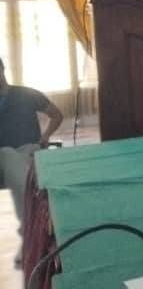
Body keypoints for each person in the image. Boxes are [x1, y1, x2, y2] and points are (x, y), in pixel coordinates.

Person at [0, 56, 63, 267]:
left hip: (29, 150)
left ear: (2, 69)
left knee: (21, 165)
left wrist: (45, 137)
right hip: (2, 156)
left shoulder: (26, 94)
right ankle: (33, 234)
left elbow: (56, 115)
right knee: (8, 155)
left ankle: (32, 235)